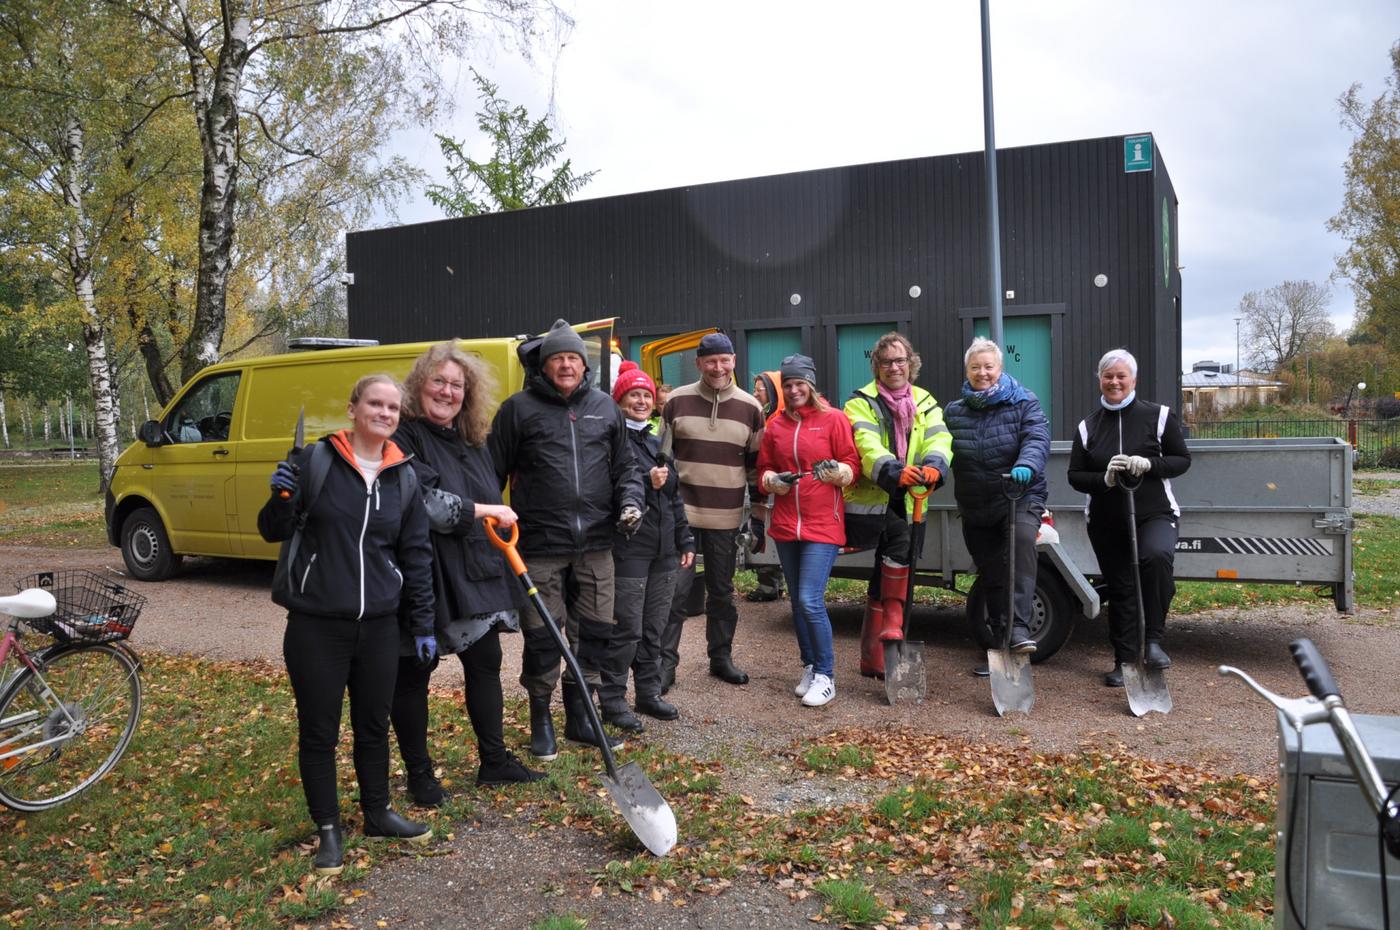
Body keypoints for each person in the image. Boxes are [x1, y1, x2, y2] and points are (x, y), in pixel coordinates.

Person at [258, 374, 434, 876]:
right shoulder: (316, 462)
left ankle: (377, 813)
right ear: (354, 408)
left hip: (379, 625)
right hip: (317, 625)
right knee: (320, 731)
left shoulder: (403, 475)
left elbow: (416, 555)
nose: (385, 413)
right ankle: (329, 829)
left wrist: (421, 624)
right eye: (375, 404)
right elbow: (272, 530)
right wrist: (282, 500)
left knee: (373, 727)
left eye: (393, 407)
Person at [388, 343, 545, 806]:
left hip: (474, 569)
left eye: (458, 385)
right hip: (422, 573)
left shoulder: (471, 438)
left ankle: (494, 761)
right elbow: (424, 503)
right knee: (414, 672)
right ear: (419, 384)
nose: (448, 391)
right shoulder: (403, 436)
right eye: (439, 381)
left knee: (485, 662)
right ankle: (419, 773)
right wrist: (486, 510)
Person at [488, 319, 644, 758]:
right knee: (542, 636)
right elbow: (490, 472)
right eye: (558, 358)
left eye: (573, 358)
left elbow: (626, 468)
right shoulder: (517, 410)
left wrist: (632, 502)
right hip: (539, 544)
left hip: (597, 543)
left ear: (584, 364)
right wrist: (491, 519)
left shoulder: (604, 408)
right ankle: (541, 715)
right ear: (544, 364)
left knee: (595, 632)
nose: (566, 365)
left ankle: (580, 716)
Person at [1067, 348, 1191, 687]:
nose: (1114, 381)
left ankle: (1152, 641)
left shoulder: (1159, 416)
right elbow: (1075, 475)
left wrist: (1150, 465)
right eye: (1108, 376)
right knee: (1121, 588)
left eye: (1121, 375)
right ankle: (1124, 660)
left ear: (1133, 379)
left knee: (1156, 557)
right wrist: (1104, 479)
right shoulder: (1088, 426)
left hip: (1154, 513)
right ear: (1100, 381)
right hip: (1107, 520)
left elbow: (1182, 460)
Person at [842, 332, 953, 679]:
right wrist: (894, 470)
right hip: (873, 497)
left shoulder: (924, 401)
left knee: (889, 564)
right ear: (877, 366)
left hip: (909, 497)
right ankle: (891, 622)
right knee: (899, 549)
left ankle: (874, 657)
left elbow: (939, 435)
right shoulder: (860, 402)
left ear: (911, 364)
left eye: (900, 360)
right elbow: (866, 443)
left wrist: (935, 464)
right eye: (887, 361)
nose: (894, 367)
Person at [659, 332, 765, 688]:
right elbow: (663, 459)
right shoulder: (675, 401)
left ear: (733, 360)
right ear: (698, 363)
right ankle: (664, 665)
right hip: (683, 517)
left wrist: (759, 516)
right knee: (675, 593)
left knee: (722, 592)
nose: (717, 367)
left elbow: (753, 467)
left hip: (726, 516)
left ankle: (720, 658)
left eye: (724, 360)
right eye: (710, 361)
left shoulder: (751, 408)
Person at [756, 355, 860, 706]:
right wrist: (772, 481)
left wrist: (840, 473)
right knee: (798, 606)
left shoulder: (834, 419)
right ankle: (811, 665)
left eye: (799, 383)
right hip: (787, 524)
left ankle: (827, 676)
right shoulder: (775, 426)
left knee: (809, 600)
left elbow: (852, 463)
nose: (794, 389)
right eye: (788, 385)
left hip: (822, 524)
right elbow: (764, 469)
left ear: (811, 384)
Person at [943, 337, 1051, 663]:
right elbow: (938, 446)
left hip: (1019, 496)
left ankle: (1019, 628)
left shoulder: (1023, 402)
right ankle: (1001, 640)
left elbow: (1037, 437)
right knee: (990, 573)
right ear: (967, 370)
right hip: (976, 503)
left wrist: (1026, 465)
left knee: (1019, 547)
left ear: (1000, 368)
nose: (983, 372)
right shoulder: (955, 411)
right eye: (976, 367)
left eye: (989, 366)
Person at [600, 362, 695, 729]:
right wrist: (646, 479)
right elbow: (610, 489)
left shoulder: (657, 443)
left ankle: (648, 693)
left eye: (646, 396)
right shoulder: (612, 441)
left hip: (664, 550)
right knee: (626, 628)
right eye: (632, 395)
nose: (640, 401)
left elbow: (674, 498)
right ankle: (612, 699)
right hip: (629, 548)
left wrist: (684, 538)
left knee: (655, 625)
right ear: (619, 400)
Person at [746, 370, 786, 603]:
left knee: (769, 535)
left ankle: (771, 585)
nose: (755, 393)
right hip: (763, 488)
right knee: (762, 534)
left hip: (775, 490)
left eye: (759, 389)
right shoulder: (765, 417)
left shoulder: (777, 420)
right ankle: (769, 585)